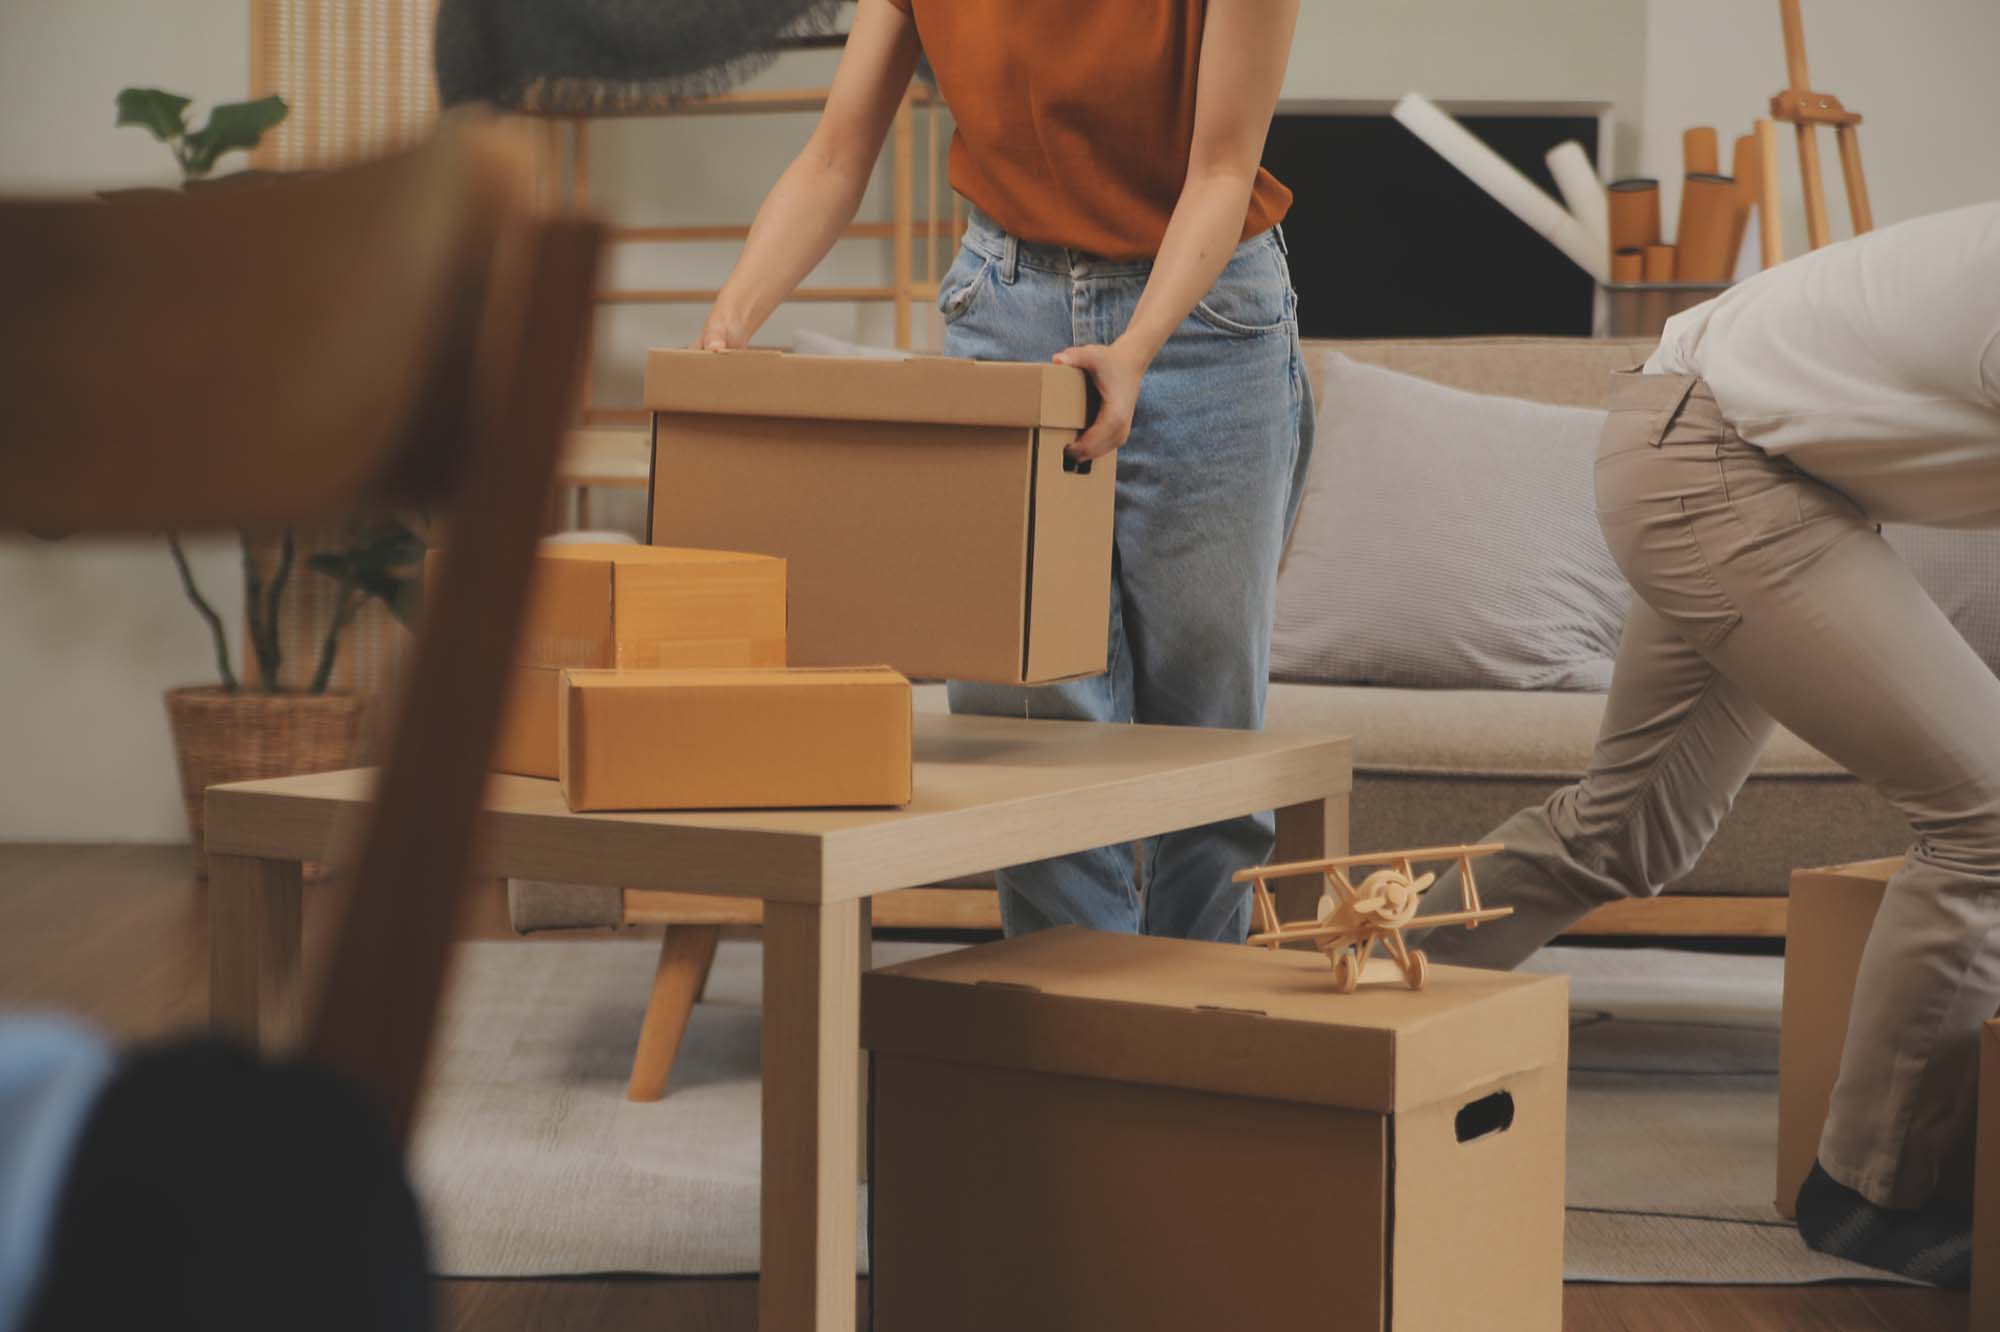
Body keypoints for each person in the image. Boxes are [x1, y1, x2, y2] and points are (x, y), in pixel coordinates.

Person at [1414, 201, 2000, 1286]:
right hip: (1720, 461)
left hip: (1744, 454)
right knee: (1988, 814)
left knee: (1626, 830)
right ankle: (1871, 1192)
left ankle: (1321, 985)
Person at [701, 0, 1312, 941]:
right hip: (1009, 306)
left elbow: (1223, 169)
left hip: (1205, 323)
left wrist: (1136, 348)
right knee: (1028, 731)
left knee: (1205, 731)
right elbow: (833, 155)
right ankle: (1077, 1042)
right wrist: (730, 322)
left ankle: (1197, 1050)